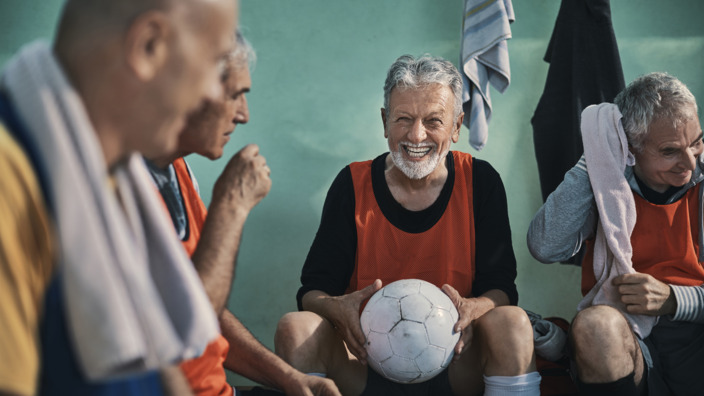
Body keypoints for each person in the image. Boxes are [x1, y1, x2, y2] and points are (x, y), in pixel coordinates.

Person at [0, 0, 238, 395]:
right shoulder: (13, 183)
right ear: (148, 47)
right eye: (214, 65)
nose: (215, 94)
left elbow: (158, 362)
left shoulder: (108, 175)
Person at [274, 54, 541, 396]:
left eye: (433, 120)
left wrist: (475, 310)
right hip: (364, 365)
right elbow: (311, 293)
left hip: (456, 365)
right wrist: (336, 308)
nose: (417, 135)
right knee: (294, 328)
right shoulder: (352, 185)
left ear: (457, 126)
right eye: (403, 118)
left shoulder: (481, 183)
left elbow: (501, 288)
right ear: (385, 122)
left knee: (513, 322)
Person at [146, 30, 341, 396]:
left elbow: (210, 316)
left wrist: (291, 379)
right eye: (235, 95)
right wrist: (231, 205)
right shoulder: (113, 189)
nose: (244, 115)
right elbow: (184, 330)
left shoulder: (178, 171)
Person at [527, 72, 704, 395]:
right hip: (628, 341)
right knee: (596, 326)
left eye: (696, 142)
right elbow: (545, 246)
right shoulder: (608, 182)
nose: (690, 162)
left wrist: (675, 300)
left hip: (695, 339)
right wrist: (596, 156)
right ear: (630, 148)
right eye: (669, 151)